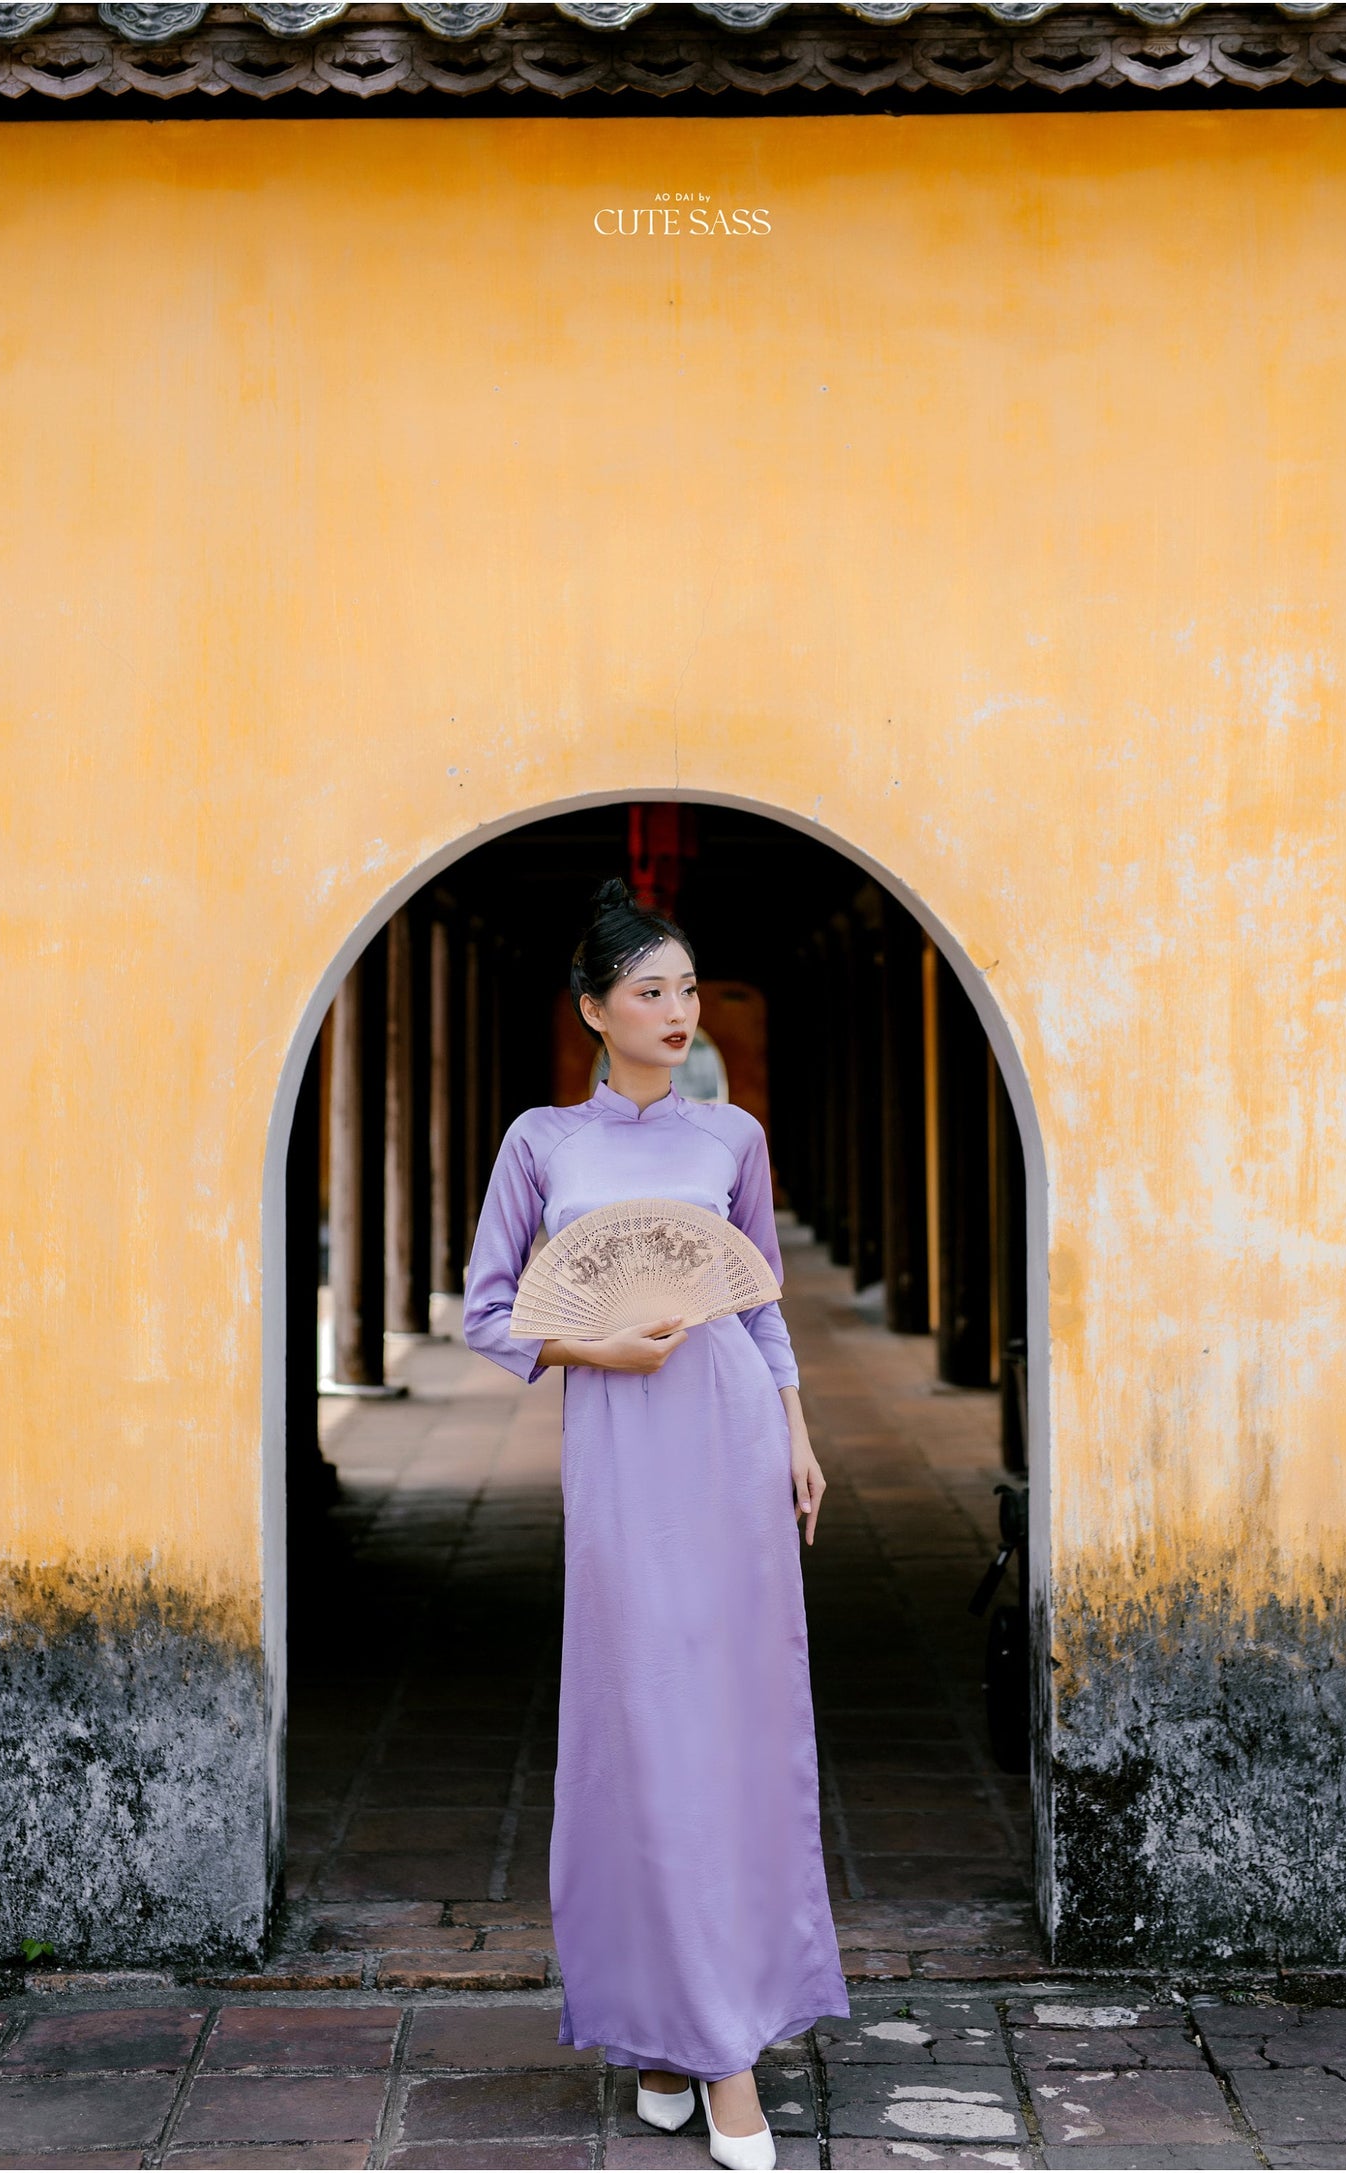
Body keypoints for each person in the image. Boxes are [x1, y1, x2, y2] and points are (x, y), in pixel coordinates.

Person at [462, 877, 849, 2172]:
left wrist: (795, 1433)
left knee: (735, 1728)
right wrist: (594, 1344)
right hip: (623, 1452)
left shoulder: (726, 1135)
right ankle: (672, 2028)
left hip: (732, 1440)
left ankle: (718, 2040)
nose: (678, 1009)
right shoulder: (540, 1144)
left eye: (687, 988)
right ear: (593, 1010)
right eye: (651, 991)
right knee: (641, 1731)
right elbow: (490, 1312)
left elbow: (759, 1301)